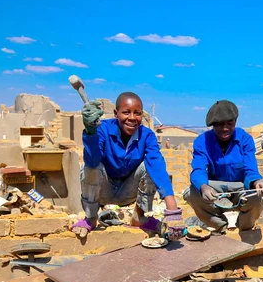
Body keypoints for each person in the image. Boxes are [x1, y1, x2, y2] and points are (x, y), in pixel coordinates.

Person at [71, 92, 184, 240]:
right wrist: (91, 133)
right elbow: (92, 162)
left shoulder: (147, 135)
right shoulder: (102, 129)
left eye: (137, 113)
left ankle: (139, 217)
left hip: (128, 191)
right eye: (126, 112)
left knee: (150, 167)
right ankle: (91, 217)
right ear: (116, 113)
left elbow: (157, 165)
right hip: (103, 191)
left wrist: (172, 210)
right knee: (89, 168)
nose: (132, 118)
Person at [184, 100, 263, 233]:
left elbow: (251, 169)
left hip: (241, 187)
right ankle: (220, 227)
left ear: (235, 121)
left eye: (229, 123)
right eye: (219, 124)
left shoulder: (245, 140)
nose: (225, 128)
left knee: (257, 196)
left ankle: (244, 229)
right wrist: (203, 187)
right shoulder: (202, 142)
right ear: (212, 125)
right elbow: (198, 170)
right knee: (192, 193)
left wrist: (257, 181)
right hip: (215, 190)